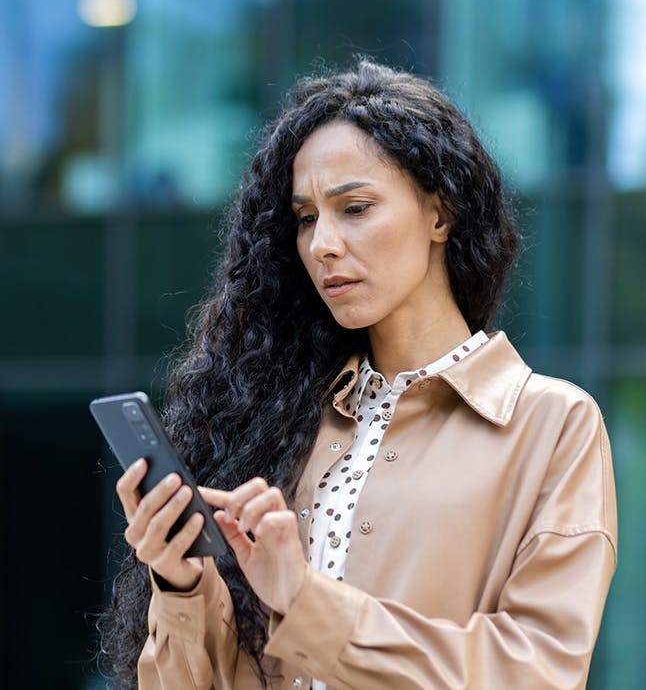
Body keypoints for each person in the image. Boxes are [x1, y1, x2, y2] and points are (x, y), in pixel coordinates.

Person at [99, 59, 617, 690]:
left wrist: (307, 601)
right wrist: (179, 580)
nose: (323, 244)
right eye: (307, 217)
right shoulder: (284, 422)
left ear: (440, 213)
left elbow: (535, 672)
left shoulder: (551, 424)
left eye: (356, 207)